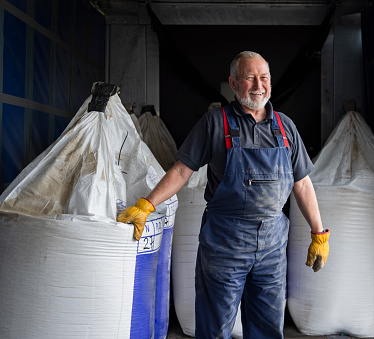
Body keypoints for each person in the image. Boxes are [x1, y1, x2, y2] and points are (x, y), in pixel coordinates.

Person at [117, 51, 330, 339]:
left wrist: (319, 233)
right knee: (215, 328)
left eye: (264, 77)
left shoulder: (285, 127)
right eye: (249, 78)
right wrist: (147, 205)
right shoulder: (215, 123)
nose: (259, 85)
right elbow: (182, 171)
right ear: (233, 83)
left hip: (272, 246)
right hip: (225, 245)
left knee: (268, 328)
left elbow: (302, 184)